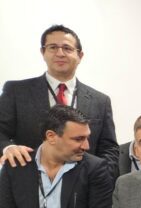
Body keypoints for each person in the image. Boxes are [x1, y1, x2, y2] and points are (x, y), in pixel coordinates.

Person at [0, 25, 118, 172]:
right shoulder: (16, 91)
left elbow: (109, 148)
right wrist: (8, 148)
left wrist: (101, 176)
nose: (60, 53)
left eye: (67, 48)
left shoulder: (100, 101)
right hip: (29, 178)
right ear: (43, 52)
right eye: (53, 47)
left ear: (80, 56)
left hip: (84, 182)